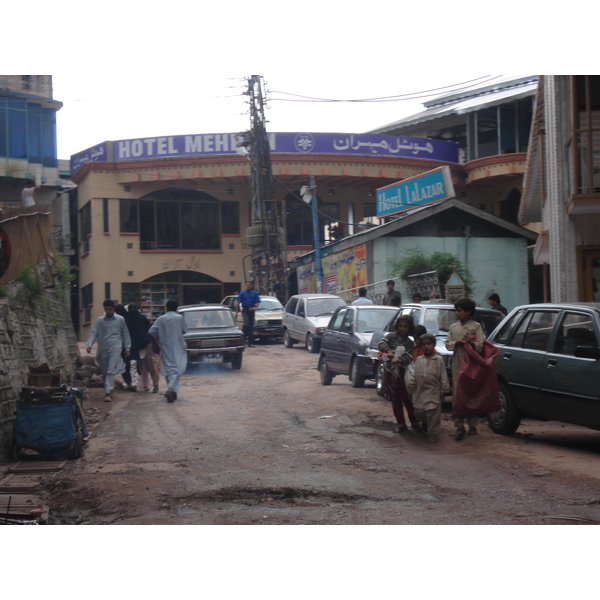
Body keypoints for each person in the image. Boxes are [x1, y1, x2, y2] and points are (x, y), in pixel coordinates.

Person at [445, 297, 485, 440]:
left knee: (471, 394)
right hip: (457, 364)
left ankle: (473, 425)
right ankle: (459, 426)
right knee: (457, 395)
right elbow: (447, 344)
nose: (457, 313)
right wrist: (457, 343)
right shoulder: (453, 327)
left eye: (460, 310)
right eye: (456, 310)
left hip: (472, 366)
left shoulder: (476, 326)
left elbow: (481, 345)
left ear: (468, 312)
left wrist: (471, 343)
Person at [378, 314, 421, 433]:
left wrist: (400, 360)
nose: (402, 328)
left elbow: (408, 357)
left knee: (408, 398)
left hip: (403, 373)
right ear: (397, 326)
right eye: (400, 326)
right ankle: (401, 423)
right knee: (395, 400)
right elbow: (381, 343)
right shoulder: (390, 337)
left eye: (405, 326)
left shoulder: (409, 342)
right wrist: (388, 351)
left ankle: (414, 422)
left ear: (409, 328)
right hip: (391, 372)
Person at [407, 333, 450, 443]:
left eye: (429, 344)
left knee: (433, 413)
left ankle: (433, 433)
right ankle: (425, 422)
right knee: (419, 412)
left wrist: (443, 390)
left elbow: (443, 375)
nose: (426, 346)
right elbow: (414, 375)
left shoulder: (438, 359)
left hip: (434, 391)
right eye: (424, 344)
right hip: (421, 390)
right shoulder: (420, 360)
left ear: (434, 345)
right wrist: (411, 387)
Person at [87, 299, 132, 402]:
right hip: (103, 348)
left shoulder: (120, 320)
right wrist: (90, 344)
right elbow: (94, 332)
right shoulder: (100, 320)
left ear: (113, 309)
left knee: (111, 369)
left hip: (116, 347)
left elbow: (125, 334)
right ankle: (110, 388)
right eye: (106, 309)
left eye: (110, 309)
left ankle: (107, 393)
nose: (108, 311)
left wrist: (127, 348)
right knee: (105, 370)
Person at [149, 299, 188, 403]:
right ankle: (170, 389)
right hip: (177, 347)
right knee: (176, 369)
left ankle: (173, 393)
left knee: (168, 369)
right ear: (176, 308)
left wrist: (158, 340)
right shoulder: (179, 318)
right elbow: (185, 330)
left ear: (166, 308)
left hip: (165, 347)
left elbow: (151, 331)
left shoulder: (161, 319)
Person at [125, 303, 150, 392]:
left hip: (135, 344)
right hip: (138, 344)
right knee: (139, 365)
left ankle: (141, 384)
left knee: (135, 365)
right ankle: (138, 384)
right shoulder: (142, 318)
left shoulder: (127, 318)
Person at [235, 281, 260, 346]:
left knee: (251, 326)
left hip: (252, 310)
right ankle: (243, 338)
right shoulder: (242, 293)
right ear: (246, 286)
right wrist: (236, 312)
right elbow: (238, 303)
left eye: (249, 285)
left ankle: (250, 342)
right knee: (246, 324)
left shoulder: (255, 293)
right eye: (247, 285)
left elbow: (257, 303)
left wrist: (254, 308)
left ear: (251, 286)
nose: (248, 286)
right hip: (245, 310)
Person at [140, 323, 161, 393]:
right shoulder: (149, 335)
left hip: (156, 351)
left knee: (155, 368)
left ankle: (156, 384)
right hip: (151, 350)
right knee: (152, 368)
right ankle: (155, 384)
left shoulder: (159, 332)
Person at [115, 303, 132, 388]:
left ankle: (129, 382)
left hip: (120, 345)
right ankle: (132, 382)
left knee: (124, 365)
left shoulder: (117, 320)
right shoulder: (128, 319)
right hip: (129, 345)